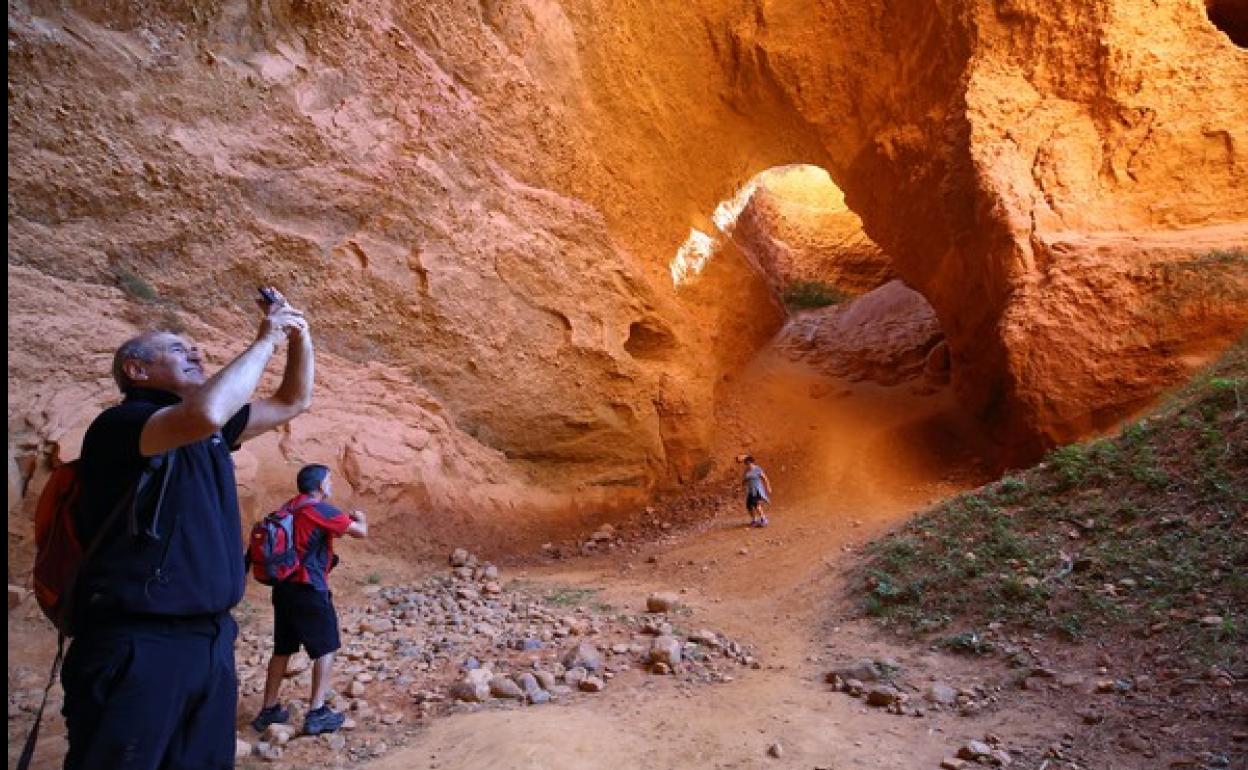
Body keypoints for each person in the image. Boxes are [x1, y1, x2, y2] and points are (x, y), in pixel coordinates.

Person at [63, 287, 313, 770]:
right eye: (179, 350)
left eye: (197, 349)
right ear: (137, 370)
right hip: (139, 644)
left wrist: (299, 333)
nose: (196, 354)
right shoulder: (121, 425)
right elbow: (204, 412)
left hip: (210, 640)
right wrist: (265, 340)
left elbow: (292, 401)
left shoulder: (212, 431)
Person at [251, 464, 367, 736]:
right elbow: (359, 532)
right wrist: (361, 519)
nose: (331, 485)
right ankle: (317, 713)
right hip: (309, 587)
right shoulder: (320, 509)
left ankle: (268, 710)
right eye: (329, 481)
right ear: (319, 485)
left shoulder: (288, 508)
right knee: (326, 648)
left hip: (283, 588)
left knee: (282, 649)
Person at [741, 455, 773, 527]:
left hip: (757, 489)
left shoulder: (758, 469)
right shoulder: (746, 470)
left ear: (752, 463)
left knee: (756, 504)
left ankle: (764, 519)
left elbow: (765, 478)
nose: (747, 465)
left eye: (748, 463)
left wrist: (768, 487)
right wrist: (743, 484)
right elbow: (745, 479)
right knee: (749, 505)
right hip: (750, 490)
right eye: (746, 464)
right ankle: (754, 520)